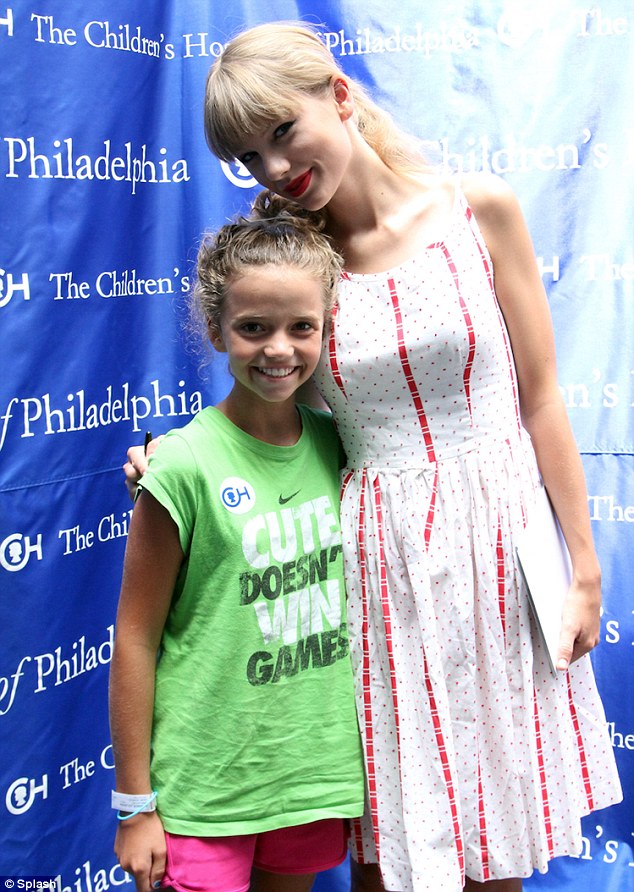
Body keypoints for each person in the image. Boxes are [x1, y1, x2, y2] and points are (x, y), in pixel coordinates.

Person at [124, 21, 622, 892]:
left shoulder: (479, 209)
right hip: (377, 569)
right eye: (250, 156)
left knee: (494, 839)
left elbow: (541, 398)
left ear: (339, 96)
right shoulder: (301, 270)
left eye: (282, 131)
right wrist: (177, 452)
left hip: (504, 555)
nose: (275, 169)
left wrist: (584, 567)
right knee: (395, 854)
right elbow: (264, 389)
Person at [110, 209, 366, 892]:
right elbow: (134, 639)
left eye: (300, 327)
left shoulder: (342, 445)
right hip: (204, 793)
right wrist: (136, 805)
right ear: (218, 329)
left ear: (326, 327)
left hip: (309, 780)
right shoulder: (184, 464)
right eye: (254, 327)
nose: (278, 348)